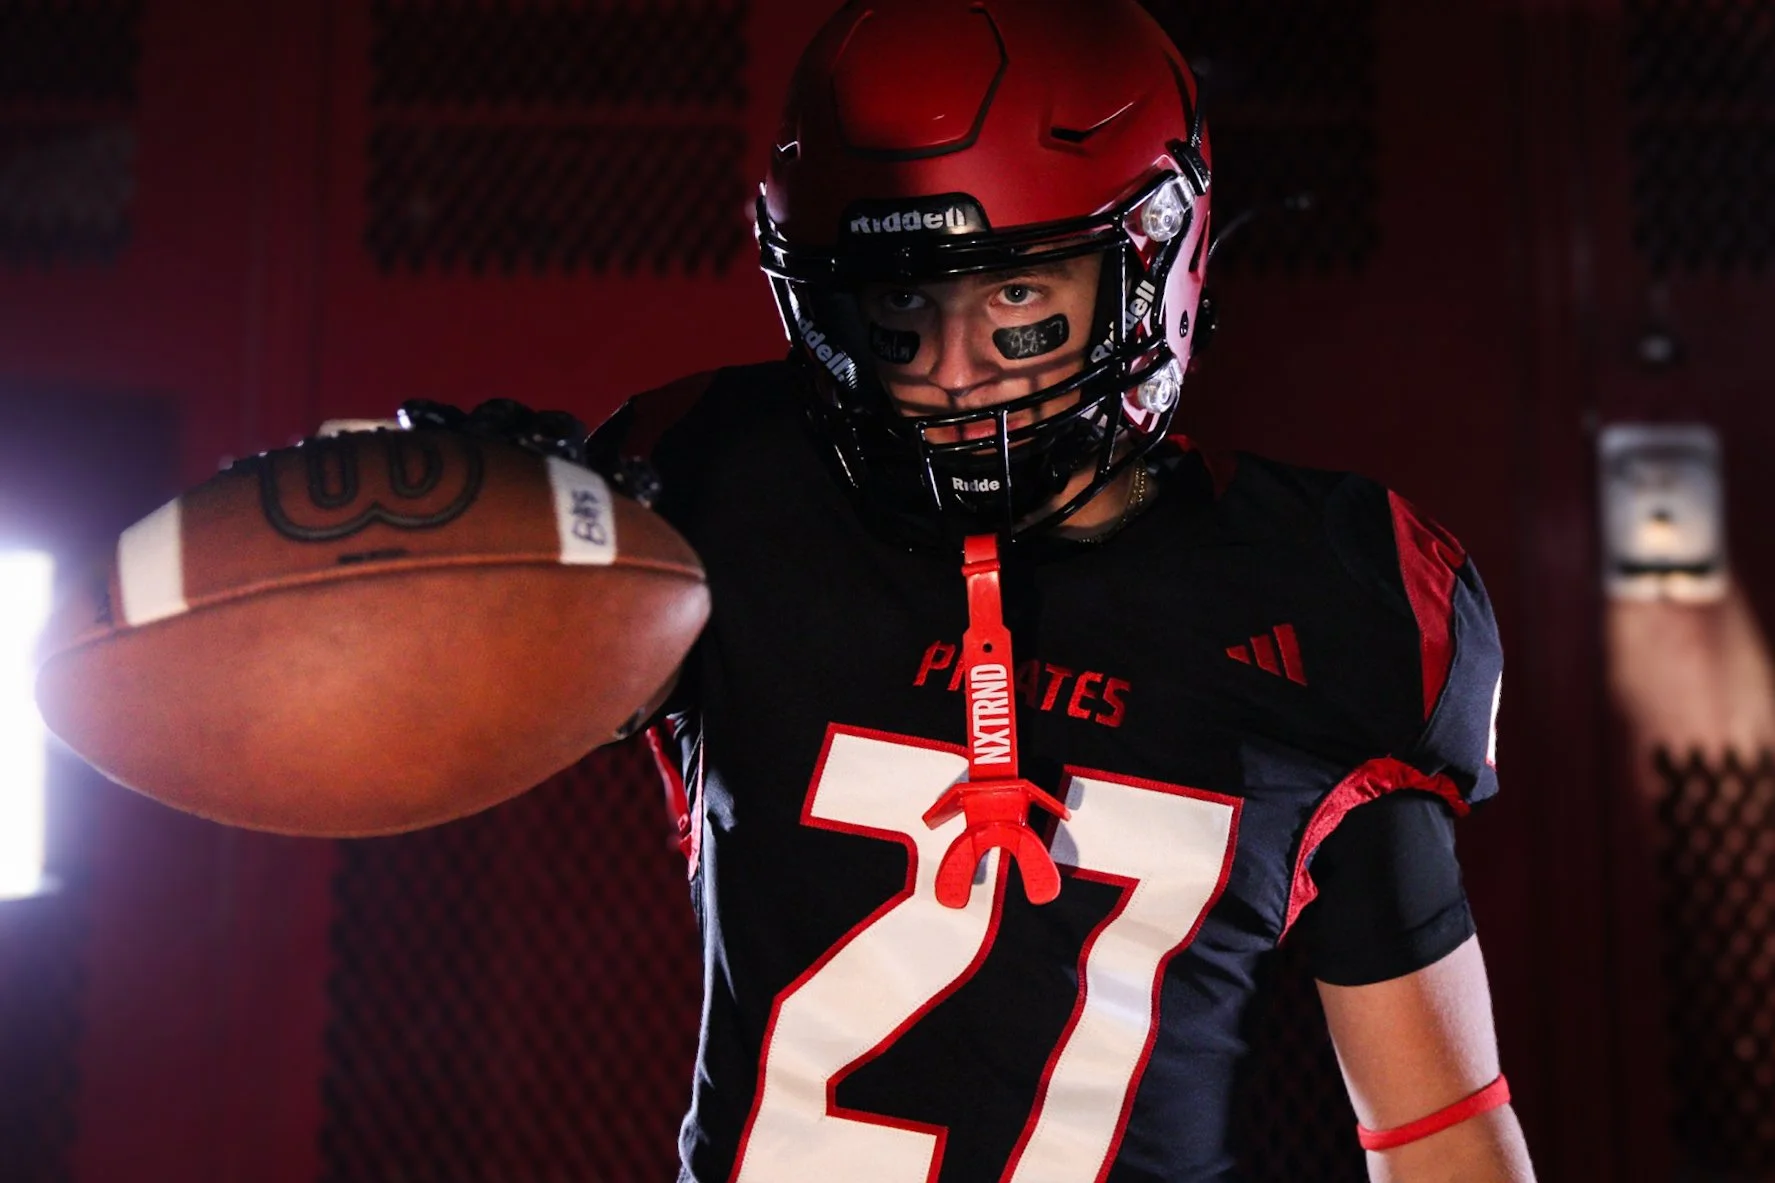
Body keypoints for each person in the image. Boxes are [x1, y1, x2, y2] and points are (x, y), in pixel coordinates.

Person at [423, 1, 1536, 1178]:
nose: (952, 371)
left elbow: (1435, 1127)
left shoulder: (1329, 591)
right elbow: (410, 717)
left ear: (1156, 257)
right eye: (901, 306)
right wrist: (444, 569)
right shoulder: (713, 481)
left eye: (1016, 299)